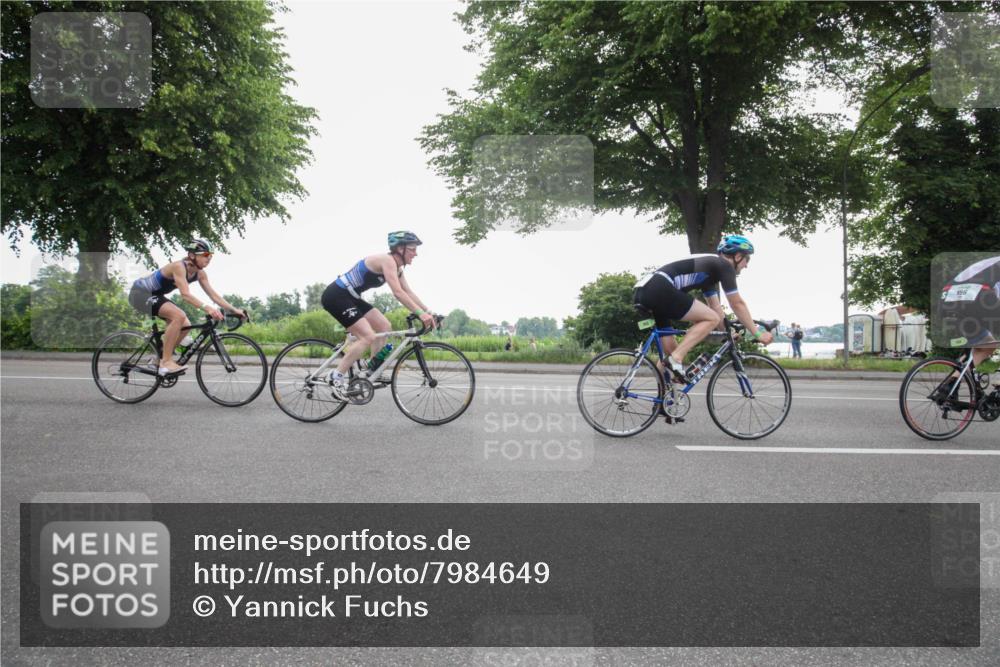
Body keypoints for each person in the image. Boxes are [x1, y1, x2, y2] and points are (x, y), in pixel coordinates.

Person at [633, 234, 774, 380]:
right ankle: (676, 359)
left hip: (646, 290)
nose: (747, 265)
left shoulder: (710, 272)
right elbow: (736, 303)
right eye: (747, 259)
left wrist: (727, 333)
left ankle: (662, 400)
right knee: (708, 322)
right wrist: (758, 334)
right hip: (660, 288)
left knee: (670, 356)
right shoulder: (724, 266)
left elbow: (715, 306)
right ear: (738, 256)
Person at [321, 231, 435, 398]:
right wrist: (419, 314)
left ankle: (371, 371)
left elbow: (407, 292)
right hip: (337, 295)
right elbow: (397, 293)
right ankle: (335, 376)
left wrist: (428, 312)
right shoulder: (387, 261)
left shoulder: (398, 268)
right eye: (412, 249)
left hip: (351, 297)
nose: (415, 253)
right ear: (400, 249)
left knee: (384, 326)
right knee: (367, 336)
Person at [128, 239, 247, 375]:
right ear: (192, 255)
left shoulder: (200, 274)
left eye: (210, 256)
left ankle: (158, 358)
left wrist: (235, 310)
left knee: (185, 324)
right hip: (139, 294)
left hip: (156, 295)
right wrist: (207, 308)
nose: (209, 259)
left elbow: (214, 296)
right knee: (178, 316)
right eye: (205, 255)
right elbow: (185, 294)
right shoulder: (179, 267)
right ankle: (165, 363)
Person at [938, 254, 1000, 370]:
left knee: (987, 346)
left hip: (948, 298)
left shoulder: (990, 263)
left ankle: (952, 383)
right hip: (977, 296)